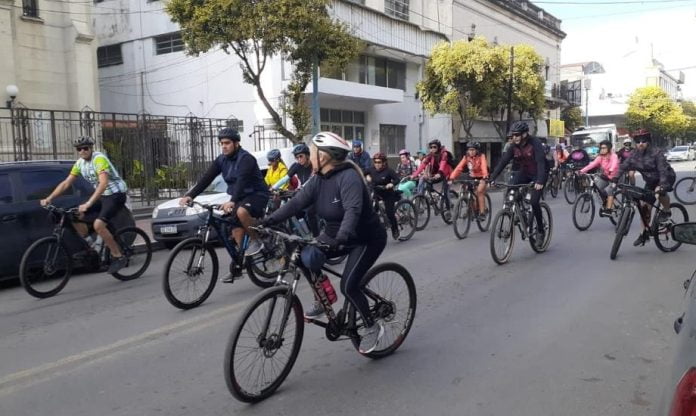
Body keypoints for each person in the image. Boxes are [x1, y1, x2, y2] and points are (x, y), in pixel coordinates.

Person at [261, 131, 387, 354]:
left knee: (349, 285)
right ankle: (324, 296)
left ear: (324, 156)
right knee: (303, 256)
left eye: (312, 152)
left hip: (365, 238)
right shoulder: (319, 179)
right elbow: (297, 203)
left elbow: (353, 211)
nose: (309, 156)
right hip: (333, 234)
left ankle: (371, 325)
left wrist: (342, 238)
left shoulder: (349, 177)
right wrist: (267, 221)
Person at [180, 128, 269, 282]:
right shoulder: (222, 160)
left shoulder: (246, 159)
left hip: (256, 195)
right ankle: (240, 262)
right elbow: (206, 179)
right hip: (239, 197)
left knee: (241, 212)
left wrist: (232, 201)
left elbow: (241, 181)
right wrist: (190, 195)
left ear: (236, 143)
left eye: (227, 143)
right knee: (233, 228)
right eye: (221, 143)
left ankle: (256, 240)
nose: (224, 146)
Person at [41, 136, 129, 274]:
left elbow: (103, 183)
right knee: (75, 215)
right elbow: (66, 183)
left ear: (91, 148)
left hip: (115, 195)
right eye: (79, 149)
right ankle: (93, 247)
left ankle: (118, 256)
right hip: (102, 195)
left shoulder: (99, 159)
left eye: (85, 148)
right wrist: (49, 198)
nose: (82, 151)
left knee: (98, 225)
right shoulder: (80, 163)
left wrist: (88, 203)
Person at [489, 121, 548, 245]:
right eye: (512, 135)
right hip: (524, 172)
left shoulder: (535, 143)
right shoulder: (513, 147)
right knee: (511, 189)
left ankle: (541, 231)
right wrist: (492, 178)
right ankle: (518, 212)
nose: (514, 137)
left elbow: (541, 162)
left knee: (534, 201)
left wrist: (540, 181)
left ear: (525, 134)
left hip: (539, 173)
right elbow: (503, 162)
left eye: (517, 135)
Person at [615, 129, 676, 247]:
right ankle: (644, 234)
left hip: (666, 177)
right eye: (637, 141)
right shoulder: (634, 154)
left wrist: (662, 186)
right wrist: (614, 179)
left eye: (643, 141)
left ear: (648, 142)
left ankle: (667, 211)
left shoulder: (656, 153)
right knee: (645, 208)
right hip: (650, 181)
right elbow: (624, 166)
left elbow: (662, 171)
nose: (640, 143)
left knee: (659, 193)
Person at [272, 143, 319, 236]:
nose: (299, 159)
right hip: (304, 194)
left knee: (310, 212)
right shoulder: (296, 166)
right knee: (296, 211)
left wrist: (301, 188)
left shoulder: (314, 165)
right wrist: (273, 188)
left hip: (315, 194)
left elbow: (312, 179)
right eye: (296, 157)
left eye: (301, 156)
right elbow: (285, 178)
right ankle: (305, 235)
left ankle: (316, 236)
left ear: (307, 155)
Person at [366, 152, 402, 240]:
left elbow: (397, 179)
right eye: (375, 162)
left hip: (388, 194)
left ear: (384, 162)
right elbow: (362, 172)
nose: (377, 164)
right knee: (371, 212)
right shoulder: (371, 169)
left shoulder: (389, 171)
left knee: (389, 213)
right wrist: (367, 176)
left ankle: (395, 229)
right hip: (376, 193)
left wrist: (391, 184)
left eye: (379, 162)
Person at [449, 141, 489, 220]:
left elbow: (484, 167)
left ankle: (482, 212)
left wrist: (484, 177)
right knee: (468, 191)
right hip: (472, 176)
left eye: (473, 150)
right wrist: (452, 177)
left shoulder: (481, 156)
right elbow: (459, 167)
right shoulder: (466, 157)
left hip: (482, 177)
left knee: (479, 191)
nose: (471, 152)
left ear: (477, 150)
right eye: (469, 150)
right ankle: (471, 209)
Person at [579, 140, 619, 215]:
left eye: (604, 148)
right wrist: (581, 171)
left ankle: (609, 209)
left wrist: (611, 170)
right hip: (606, 176)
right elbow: (592, 165)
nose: (602, 150)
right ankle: (606, 201)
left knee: (610, 190)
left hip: (615, 177)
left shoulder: (614, 156)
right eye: (601, 148)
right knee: (598, 188)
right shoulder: (600, 157)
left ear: (609, 148)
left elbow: (614, 164)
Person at [411, 139, 454, 208]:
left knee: (446, 193)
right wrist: (414, 175)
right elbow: (423, 165)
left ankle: (448, 209)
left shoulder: (444, 154)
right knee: (424, 180)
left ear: (438, 147)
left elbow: (443, 164)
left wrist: (439, 173)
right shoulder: (430, 155)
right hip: (436, 174)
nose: (432, 149)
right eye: (431, 147)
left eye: (434, 147)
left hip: (446, 174)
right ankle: (423, 198)